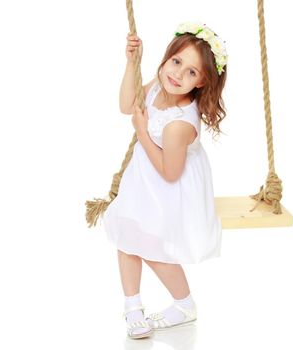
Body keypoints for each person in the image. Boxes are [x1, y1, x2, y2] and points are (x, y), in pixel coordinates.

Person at [101, 21, 228, 339]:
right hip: (145, 178)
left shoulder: (180, 124)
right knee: (126, 235)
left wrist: (142, 132)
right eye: (176, 62)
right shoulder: (159, 86)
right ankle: (133, 307)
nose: (178, 75)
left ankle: (185, 304)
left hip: (172, 184)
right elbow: (127, 105)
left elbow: (170, 171)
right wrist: (131, 63)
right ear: (167, 57)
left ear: (201, 83)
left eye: (191, 73)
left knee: (152, 247)